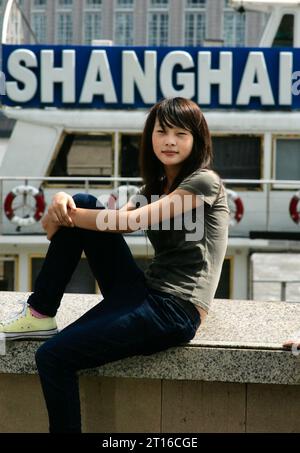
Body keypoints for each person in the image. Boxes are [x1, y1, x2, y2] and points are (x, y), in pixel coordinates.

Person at [0, 97, 229, 433]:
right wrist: (65, 201)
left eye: (180, 134)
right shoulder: (154, 188)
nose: (169, 141)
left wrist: (69, 213)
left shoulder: (203, 182)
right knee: (84, 203)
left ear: (197, 140)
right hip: (145, 293)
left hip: (176, 310)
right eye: (162, 131)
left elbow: (127, 222)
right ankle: (39, 313)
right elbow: (61, 227)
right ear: (150, 136)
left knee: (52, 357)